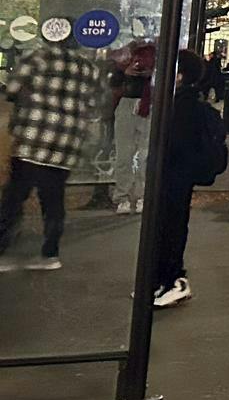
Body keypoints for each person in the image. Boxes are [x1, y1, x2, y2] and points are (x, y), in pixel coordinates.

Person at [0, 25, 99, 272]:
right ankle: (50, 254)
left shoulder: (35, 59)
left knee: (14, 197)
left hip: (31, 142)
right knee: (53, 200)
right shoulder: (87, 67)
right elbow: (96, 102)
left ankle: (2, 249)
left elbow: (11, 90)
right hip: (65, 146)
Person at [154, 49, 228, 309]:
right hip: (180, 175)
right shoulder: (184, 102)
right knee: (170, 225)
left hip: (175, 174)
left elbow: (176, 143)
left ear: (180, 75)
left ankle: (173, 280)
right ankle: (165, 280)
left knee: (169, 227)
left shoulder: (180, 106)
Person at [108, 37, 156, 214]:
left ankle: (139, 196)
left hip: (146, 103)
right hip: (130, 102)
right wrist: (125, 72)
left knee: (144, 154)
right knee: (125, 154)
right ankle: (125, 196)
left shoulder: (157, 56)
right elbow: (114, 80)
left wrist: (149, 74)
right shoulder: (126, 57)